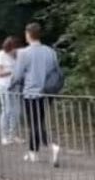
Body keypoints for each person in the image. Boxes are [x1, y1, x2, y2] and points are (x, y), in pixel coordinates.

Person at [11, 22, 61, 165]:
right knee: (38, 122)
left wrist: (11, 84)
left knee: (34, 124)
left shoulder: (24, 53)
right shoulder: (50, 51)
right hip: (47, 93)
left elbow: (18, 74)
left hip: (31, 93)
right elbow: (55, 72)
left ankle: (52, 146)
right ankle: (33, 152)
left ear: (28, 34)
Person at [0, 37, 22, 145]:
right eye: (15, 48)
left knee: (17, 110)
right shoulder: (1, 55)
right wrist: (13, 71)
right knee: (7, 110)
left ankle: (13, 135)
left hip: (15, 86)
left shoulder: (16, 56)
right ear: (10, 47)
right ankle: (4, 136)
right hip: (4, 86)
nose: (16, 50)